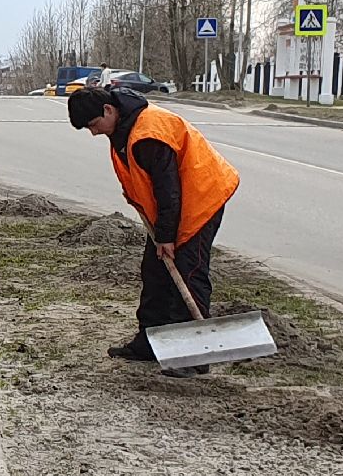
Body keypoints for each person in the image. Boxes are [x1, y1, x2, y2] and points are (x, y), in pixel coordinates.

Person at [67, 85, 240, 377]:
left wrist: (166, 237)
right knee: (155, 271)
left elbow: (168, 190)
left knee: (188, 272)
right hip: (172, 207)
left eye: (94, 125)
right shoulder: (124, 127)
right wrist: (161, 234)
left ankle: (193, 356)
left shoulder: (148, 135)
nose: (94, 133)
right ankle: (150, 342)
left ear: (108, 110)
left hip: (200, 198)